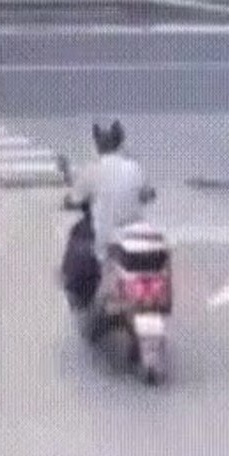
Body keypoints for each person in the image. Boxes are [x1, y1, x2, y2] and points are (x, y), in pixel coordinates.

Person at [62, 120, 154, 312]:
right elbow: (147, 194)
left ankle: (82, 297)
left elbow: (74, 197)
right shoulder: (134, 168)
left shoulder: (93, 169)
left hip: (107, 239)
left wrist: (69, 201)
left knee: (80, 244)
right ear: (119, 143)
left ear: (98, 146)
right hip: (136, 237)